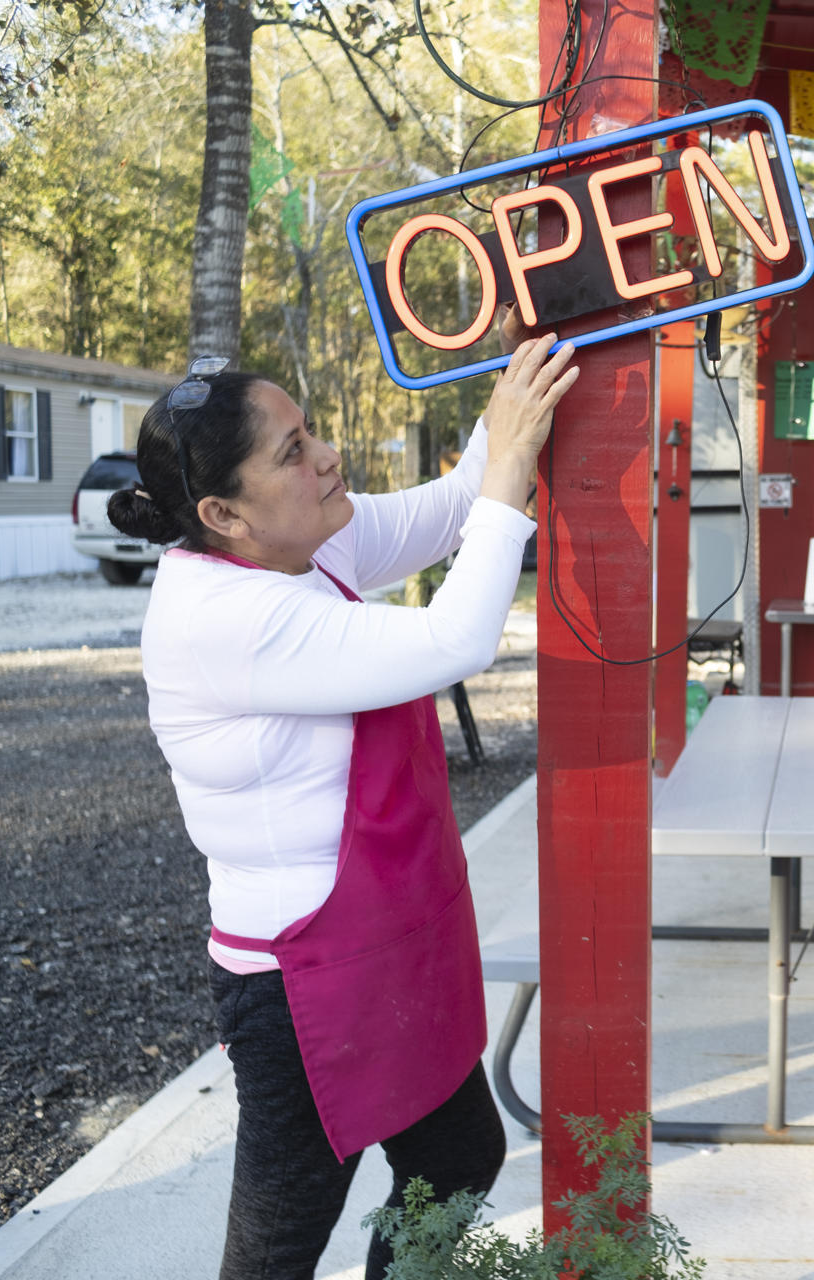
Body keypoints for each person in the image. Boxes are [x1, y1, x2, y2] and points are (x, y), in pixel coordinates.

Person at [107, 311, 577, 1278]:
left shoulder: (301, 547)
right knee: (276, 1252)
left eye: (311, 430)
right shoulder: (223, 619)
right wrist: (511, 468)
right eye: (294, 451)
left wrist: (525, 369)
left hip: (388, 944)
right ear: (223, 515)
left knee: (456, 1157)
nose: (328, 456)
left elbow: (453, 507)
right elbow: (455, 641)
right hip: (300, 983)